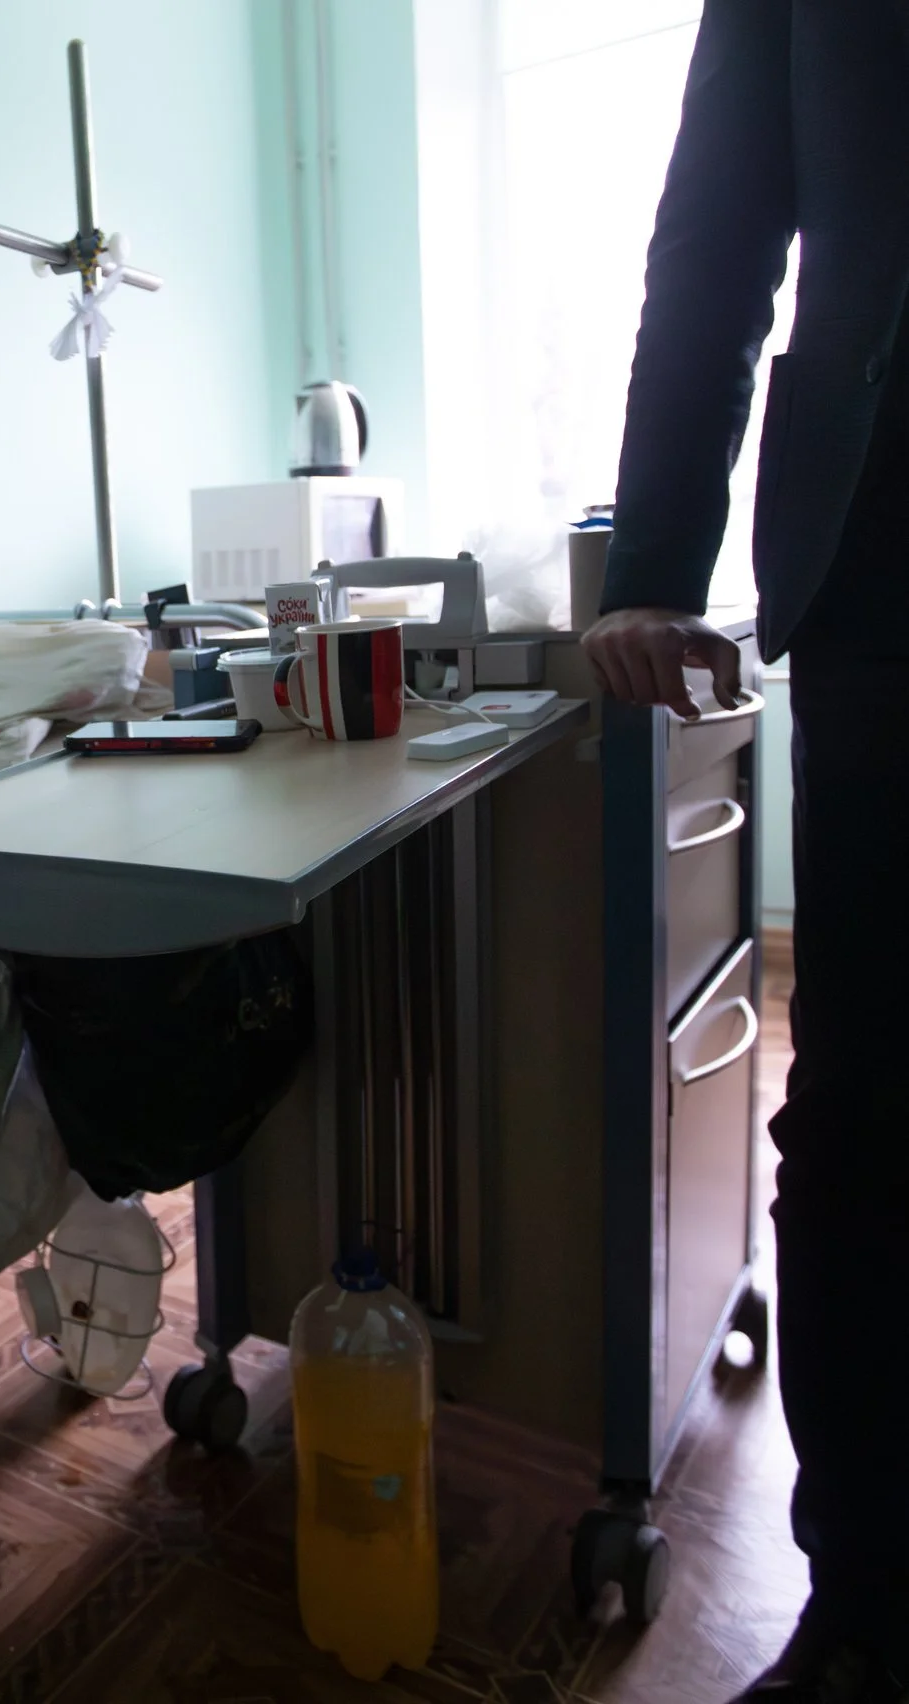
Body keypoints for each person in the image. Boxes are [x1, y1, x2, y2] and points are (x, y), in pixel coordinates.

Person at [586, 2, 908, 1696]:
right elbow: (716, 230)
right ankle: (861, 1609)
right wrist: (651, 559)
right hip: (885, 564)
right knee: (864, 1128)